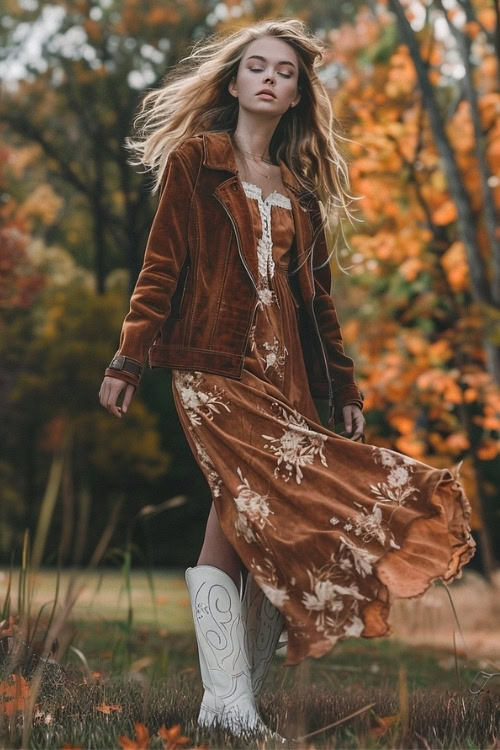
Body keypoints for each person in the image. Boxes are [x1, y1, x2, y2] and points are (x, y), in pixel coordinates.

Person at [98, 18, 476, 741]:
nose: (271, 78)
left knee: (276, 528)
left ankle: (231, 707)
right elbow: (161, 265)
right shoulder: (198, 160)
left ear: (298, 95)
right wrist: (129, 356)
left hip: (290, 382)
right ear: (234, 83)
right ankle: (230, 706)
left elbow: (320, 306)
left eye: (286, 72)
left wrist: (347, 391)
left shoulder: (299, 192)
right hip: (213, 368)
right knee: (240, 511)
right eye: (258, 67)